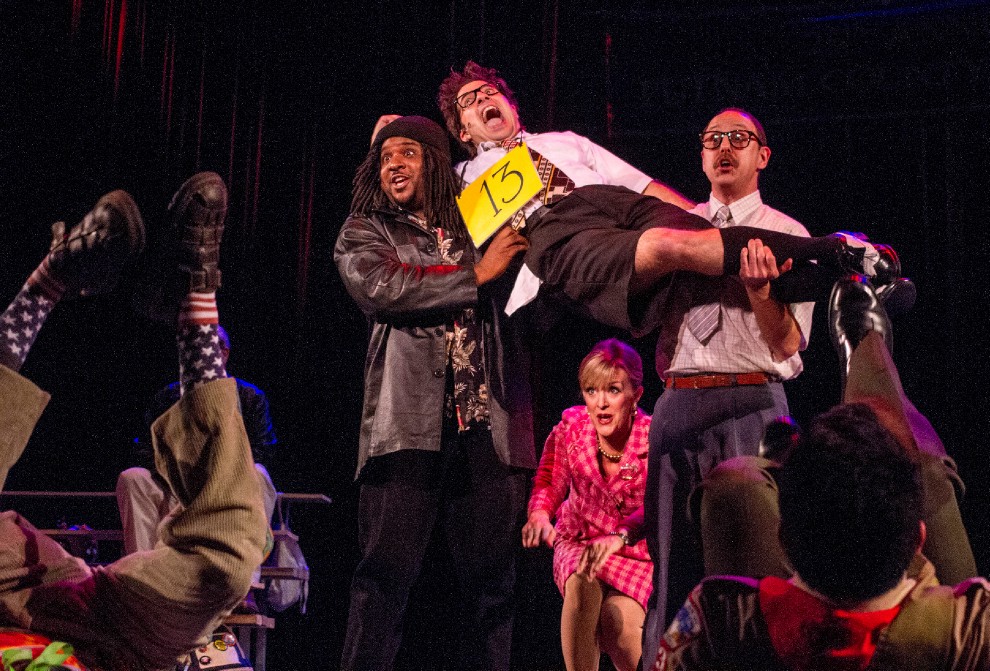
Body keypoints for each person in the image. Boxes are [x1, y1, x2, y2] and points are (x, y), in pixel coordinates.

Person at [0, 172, 269, 670]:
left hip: (31, 582)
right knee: (228, 557)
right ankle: (193, 298)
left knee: (246, 495)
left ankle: (49, 279)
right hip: (117, 636)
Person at [652, 275, 984, 670]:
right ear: (918, 541)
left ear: (783, 541)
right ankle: (865, 353)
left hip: (777, 642)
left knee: (735, 487)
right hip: (920, 635)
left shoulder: (721, 619)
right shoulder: (968, 630)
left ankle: (785, 465)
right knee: (922, 470)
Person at [434, 61, 883, 335]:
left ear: (511, 106)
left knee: (707, 243)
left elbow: (643, 186)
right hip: (561, 232)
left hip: (611, 202)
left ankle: (856, 282)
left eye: (491, 92)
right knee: (670, 248)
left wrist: (701, 220)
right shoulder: (462, 178)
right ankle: (832, 247)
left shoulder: (563, 140)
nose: (486, 98)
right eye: (471, 101)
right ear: (463, 130)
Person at [334, 115, 536, 671]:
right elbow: (383, 288)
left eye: (407, 153)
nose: (393, 165)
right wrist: (477, 274)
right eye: (385, 158)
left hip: (487, 424)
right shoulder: (367, 229)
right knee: (383, 579)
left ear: (436, 162)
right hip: (405, 426)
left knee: (498, 585)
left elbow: (530, 301)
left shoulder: (478, 223)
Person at [640, 107, 815, 656]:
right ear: (700, 155)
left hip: (751, 402)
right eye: (713, 138)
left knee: (754, 563)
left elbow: (787, 344)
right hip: (678, 403)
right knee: (670, 566)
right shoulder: (672, 229)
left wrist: (761, 294)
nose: (724, 147)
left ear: (762, 156)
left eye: (739, 138)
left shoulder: (788, 234)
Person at [522, 339, 652, 671]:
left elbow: (656, 506)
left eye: (613, 390)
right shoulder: (573, 427)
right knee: (581, 582)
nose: (601, 403)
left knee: (618, 627)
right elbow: (550, 478)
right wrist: (540, 514)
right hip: (580, 542)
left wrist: (619, 537)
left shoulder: (652, 438)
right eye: (591, 391)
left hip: (635, 553)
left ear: (636, 395)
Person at [116, 324, 278, 556]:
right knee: (133, 478)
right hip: (174, 486)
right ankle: (142, 566)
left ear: (223, 353)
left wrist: (219, 473)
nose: (196, 355)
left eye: (204, 348)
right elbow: (143, 447)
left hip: (228, 488)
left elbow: (264, 449)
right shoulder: (168, 396)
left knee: (260, 474)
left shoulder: (250, 397)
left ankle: (243, 567)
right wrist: (176, 475)